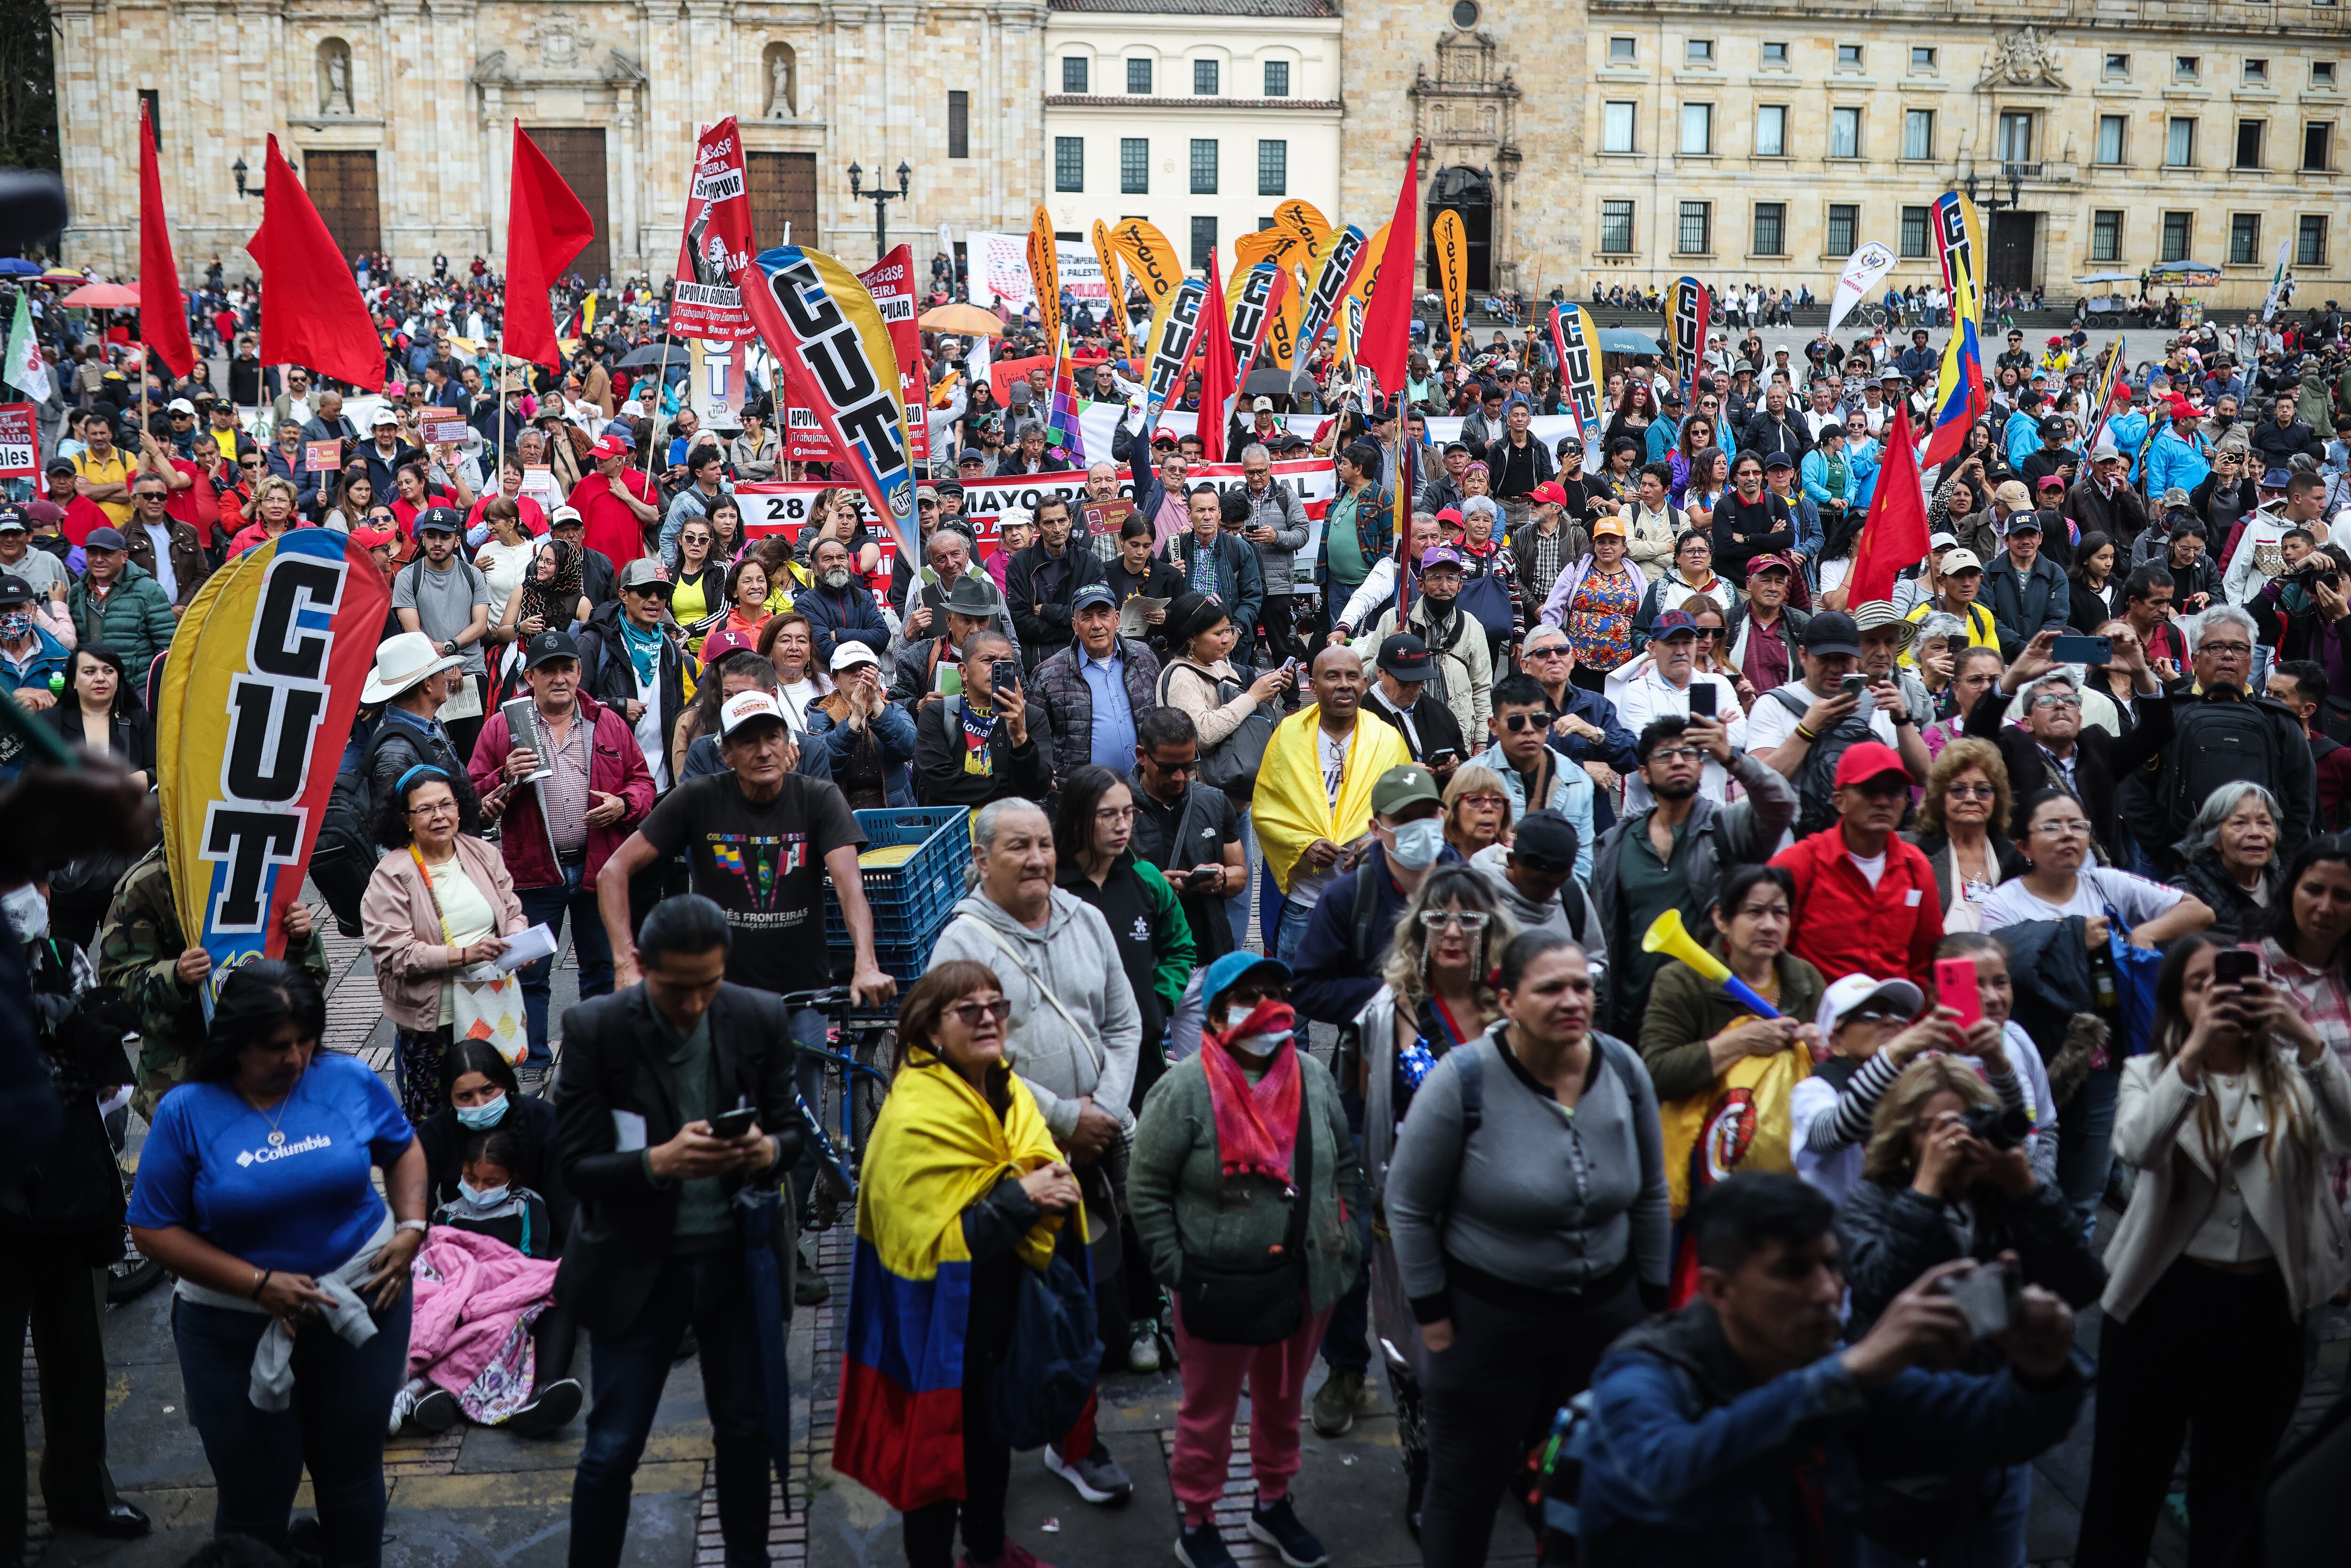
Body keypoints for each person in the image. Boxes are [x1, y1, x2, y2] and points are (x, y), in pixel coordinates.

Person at [1576, 1174, 2091, 1568]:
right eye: (1793, 1270)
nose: (1827, 1290)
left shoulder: (1821, 1367)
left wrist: (2038, 1368)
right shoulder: (1641, 1375)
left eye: (1830, 1263)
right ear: (1717, 1290)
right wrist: (1849, 1371)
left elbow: (1989, 1424)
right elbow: (1662, 1482)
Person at [125, 962, 429, 1568]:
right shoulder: (187, 1110)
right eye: (275, 1046)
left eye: (305, 1039)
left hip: (363, 1302)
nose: (294, 1057)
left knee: (352, 1477)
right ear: (234, 1042)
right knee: (254, 1499)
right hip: (233, 1330)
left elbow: (403, 1148)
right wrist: (258, 1284)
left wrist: (413, 1224)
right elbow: (151, 1227)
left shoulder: (346, 1078)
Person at [1385, 929, 1669, 1568]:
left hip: (1604, 1318)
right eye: (1551, 988)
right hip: (1487, 1322)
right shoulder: (1464, 1080)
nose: (1573, 1000)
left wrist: (1650, 1303)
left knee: (1590, 1484)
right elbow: (1408, 1203)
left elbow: (1651, 1191)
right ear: (1508, 1000)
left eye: (1583, 987)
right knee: (1466, 1490)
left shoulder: (1622, 1067)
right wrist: (1432, 1316)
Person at [2073, 933, 2351, 1568]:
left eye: (2235, 981)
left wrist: (2306, 1038)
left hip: (2262, 1307)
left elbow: (2348, 1132)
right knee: (2126, 1480)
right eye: (2201, 984)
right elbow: (2138, 1147)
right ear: (2177, 1001)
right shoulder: (2151, 1072)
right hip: (2160, 1300)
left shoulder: (2292, 1076)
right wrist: (2195, 1055)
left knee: (2235, 1488)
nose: (2221, 995)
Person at [546, 896, 807, 1568]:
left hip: (735, 1264)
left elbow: (791, 1129)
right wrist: (655, 1162)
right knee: (611, 1448)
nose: (693, 1004)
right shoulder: (596, 1027)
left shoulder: (758, 1015)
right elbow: (574, 1165)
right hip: (636, 1270)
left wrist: (765, 1150)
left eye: (708, 986)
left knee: (746, 1432)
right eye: (675, 989)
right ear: (642, 967)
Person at [925, 797, 1144, 1507]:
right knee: (1006, 1317)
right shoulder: (961, 946)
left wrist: (1104, 1108)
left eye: (1045, 844)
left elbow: (1123, 1018)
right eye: (1018, 846)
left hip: (1090, 1154)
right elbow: (965, 1062)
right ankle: (985, 1452)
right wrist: (1059, 1114)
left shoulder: (1088, 919)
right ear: (983, 860)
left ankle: (1075, 1440)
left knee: (1082, 1308)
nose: (1038, 859)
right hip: (1008, 1169)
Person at [833, 961, 1083, 1568]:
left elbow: (1043, 1165)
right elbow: (932, 1236)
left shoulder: (1007, 1087)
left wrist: (1036, 1189)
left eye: (996, 1004)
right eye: (969, 1010)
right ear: (932, 1030)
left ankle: (988, 1549)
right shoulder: (915, 1114)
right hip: (940, 1319)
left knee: (990, 1442)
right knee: (935, 1460)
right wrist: (1024, 1196)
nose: (990, 1018)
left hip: (1001, 1307)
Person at [1126, 948, 1357, 1568]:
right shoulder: (1181, 1090)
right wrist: (1178, 1268)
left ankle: (1272, 1502)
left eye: (1274, 993)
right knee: (1209, 1410)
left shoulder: (1312, 1074)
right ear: (1216, 1012)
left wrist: (1346, 1233)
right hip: (1217, 1286)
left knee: (1284, 1401)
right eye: (1247, 996)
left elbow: (1348, 1164)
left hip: (1305, 1280)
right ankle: (1198, 1518)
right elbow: (1145, 1188)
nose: (1264, 1007)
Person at [1832, 1054, 2106, 1564]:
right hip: (1900, 1441)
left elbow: (2081, 1282)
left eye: (1964, 1123)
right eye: (1934, 1129)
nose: (1954, 1143)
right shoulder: (1872, 1198)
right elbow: (1878, 1288)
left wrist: (2025, 1189)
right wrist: (1926, 1191)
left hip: (1991, 1435)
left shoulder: (2003, 1195)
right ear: (1902, 1135)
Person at [0, 877, 150, 1560]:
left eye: (29, 883)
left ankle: (83, 1490)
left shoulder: (63, 955)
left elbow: (109, 1069)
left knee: (79, 1352)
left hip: (70, 1186)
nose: (25, 898)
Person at [465, 630, 655, 1080]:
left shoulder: (607, 722)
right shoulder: (503, 725)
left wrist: (623, 804)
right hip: (533, 871)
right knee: (529, 973)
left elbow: (643, 783)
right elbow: (470, 795)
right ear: (529, 676)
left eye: (566, 668)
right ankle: (531, 1062)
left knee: (601, 969)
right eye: (548, 670)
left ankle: (597, 1058)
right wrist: (501, 779)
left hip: (599, 867)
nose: (559, 678)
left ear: (579, 673)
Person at [1592, 713, 1795, 1037]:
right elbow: (1602, 937)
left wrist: (1731, 757)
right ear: (1643, 773)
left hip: (1711, 1018)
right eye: (1665, 755)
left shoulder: (1726, 828)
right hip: (1631, 1020)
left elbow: (1780, 803)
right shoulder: (1615, 844)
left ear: (1701, 767)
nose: (1678, 761)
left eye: (1689, 754)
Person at [360, 766, 528, 1125]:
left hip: (489, 1007)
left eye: (446, 804)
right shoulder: (391, 874)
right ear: (405, 819)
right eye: (425, 809)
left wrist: (516, 940)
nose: (439, 816)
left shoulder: (482, 852)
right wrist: (465, 955)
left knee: (495, 1110)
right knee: (434, 1122)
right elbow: (396, 953)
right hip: (432, 1021)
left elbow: (511, 910)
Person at [1637, 862, 1828, 1174]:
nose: (1769, 925)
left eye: (1780, 914)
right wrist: (1739, 1042)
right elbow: (1657, 1072)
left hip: (1790, 1156)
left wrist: (1821, 1051)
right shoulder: (1681, 980)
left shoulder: (1806, 979)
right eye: (1754, 912)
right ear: (1722, 920)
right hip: (1707, 1159)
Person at [1254, 646, 1416, 964]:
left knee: (1363, 1006)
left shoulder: (1387, 740)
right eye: (1332, 676)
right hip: (1304, 902)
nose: (1344, 684)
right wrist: (1304, 844)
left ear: (1365, 683)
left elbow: (1411, 814)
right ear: (1312, 687)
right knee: (1293, 1005)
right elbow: (1266, 811)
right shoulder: (1288, 736)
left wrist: (1378, 844)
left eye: (1352, 676)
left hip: (1370, 900)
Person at [2156, 606, 2319, 871]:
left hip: (2261, 864)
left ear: (2251, 659)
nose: (2228, 656)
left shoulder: (2276, 719)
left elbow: (2302, 798)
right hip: (2179, 862)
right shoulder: (2169, 713)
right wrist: (2163, 854)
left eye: (2239, 648)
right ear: (2195, 658)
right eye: (2216, 647)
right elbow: (2138, 793)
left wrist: (2274, 856)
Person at [1771, 742, 1944, 986]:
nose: (1883, 801)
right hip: (1817, 1019)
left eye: (1894, 791)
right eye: (1870, 790)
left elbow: (1925, 959)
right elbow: (1764, 951)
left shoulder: (1917, 867)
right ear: (1840, 801)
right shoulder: (1800, 863)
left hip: (1895, 1019)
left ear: (1906, 802)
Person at [1032, 582, 1163, 789]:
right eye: (1087, 617)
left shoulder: (1144, 656)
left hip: (1144, 789)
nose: (1097, 625)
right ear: (1075, 625)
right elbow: (1036, 736)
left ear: (1117, 619)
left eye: (1104, 615)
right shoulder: (1050, 674)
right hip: (1084, 798)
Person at [577, 557, 688, 795]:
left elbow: (677, 709)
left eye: (662, 592)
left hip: (662, 784)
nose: (655, 600)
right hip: (612, 783)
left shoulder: (669, 647)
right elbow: (572, 706)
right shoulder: (594, 642)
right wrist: (616, 707)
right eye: (644, 591)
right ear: (623, 595)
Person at [391, 507, 494, 760]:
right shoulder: (407, 576)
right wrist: (444, 666)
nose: (438, 542)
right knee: (431, 754)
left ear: (458, 540)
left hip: (470, 675)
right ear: (423, 537)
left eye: (445, 536)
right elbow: (412, 631)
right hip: (426, 675)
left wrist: (450, 653)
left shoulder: (472, 575)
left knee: (471, 755)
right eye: (432, 535)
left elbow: (481, 625)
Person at [910, 630, 1055, 807]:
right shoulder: (937, 713)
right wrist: (1012, 788)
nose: (996, 669)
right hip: (952, 830)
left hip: (1010, 830)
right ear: (964, 672)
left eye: (1006, 663)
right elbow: (940, 783)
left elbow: (1037, 788)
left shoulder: (1032, 716)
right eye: (989, 661)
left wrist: (1020, 737)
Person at [1905, 738, 2024, 933]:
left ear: (1997, 799)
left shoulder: (2015, 857)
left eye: (1983, 790)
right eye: (1958, 790)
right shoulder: (1911, 850)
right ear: (1939, 797)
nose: (1971, 798)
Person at [807, 641, 917, 809]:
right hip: (844, 817)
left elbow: (910, 748)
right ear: (834, 680)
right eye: (850, 669)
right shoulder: (820, 714)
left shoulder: (893, 708)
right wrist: (855, 718)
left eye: (866, 668)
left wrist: (876, 704)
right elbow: (822, 765)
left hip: (895, 814)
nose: (859, 673)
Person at [1005, 493, 1107, 670]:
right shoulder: (1020, 563)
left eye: (1062, 521)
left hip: (1083, 660)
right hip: (1035, 662)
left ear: (1071, 520)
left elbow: (1094, 616)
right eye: (1049, 523)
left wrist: (1045, 611)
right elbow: (1019, 622)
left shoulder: (1089, 562)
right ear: (1037, 526)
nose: (1057, 529)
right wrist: (1072, 627)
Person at [2174, 780, 2284, 939]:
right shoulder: (2188, 893)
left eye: (2264, 823)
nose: (2256, 832)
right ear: (2214, 839)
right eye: (2240, 823)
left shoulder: (2289, 890)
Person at [43, 643, 153, 790]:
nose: (100, 678)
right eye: (90, 672)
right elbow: (31, 777)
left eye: (108, 671)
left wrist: (144, 778)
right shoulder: (49, 721)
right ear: (74, 681)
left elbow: (159, 771)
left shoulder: (140, 719)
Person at [66, 527, 175, 669]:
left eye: (107, 554)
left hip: (135, 686)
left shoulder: (149, 590)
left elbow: (167, 646)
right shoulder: (78, 591)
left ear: (124, 556)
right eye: (93, 553)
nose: (99, 560)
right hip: (92, 683)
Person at [1364, 630, 1472, 773]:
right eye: (1403, 682)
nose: (1412, 689)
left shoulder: (1439, 712)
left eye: (1419, 682)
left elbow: (1463, 760)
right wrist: (1399, 774)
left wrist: (1454, 766)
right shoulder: (1360, 716)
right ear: (1381, 673)